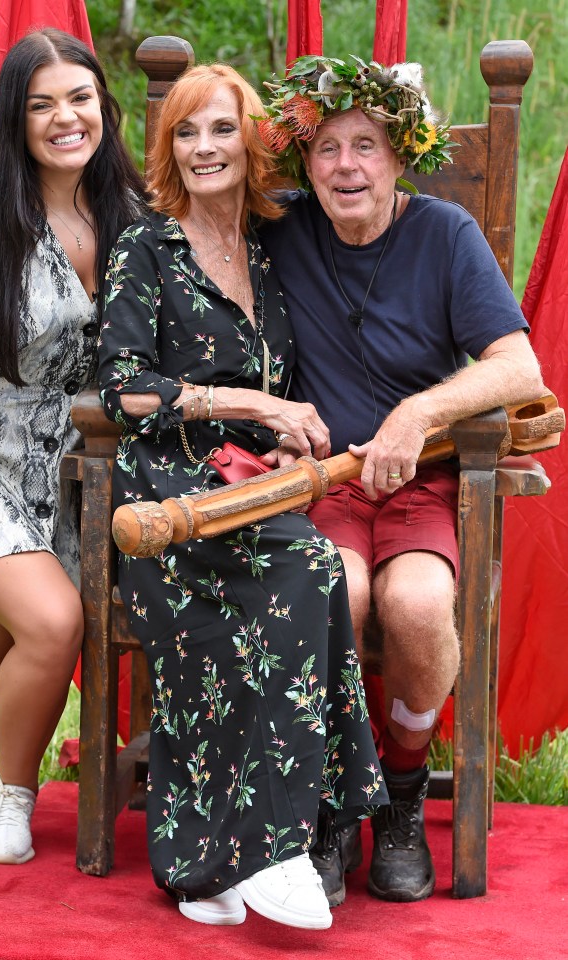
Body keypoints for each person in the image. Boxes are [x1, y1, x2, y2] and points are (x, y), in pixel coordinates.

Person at [97, 63, 387, 930]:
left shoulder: (270, 244)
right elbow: (123, 390)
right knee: (310, 569)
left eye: (222, 129)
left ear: (251, 142)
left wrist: (297, 428)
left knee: (318, 569)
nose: (203, 148)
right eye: (187, 132)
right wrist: (253, 403)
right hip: (168, 495)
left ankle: (228, 855)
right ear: (168, 147)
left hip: (251, 486)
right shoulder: (146, 247)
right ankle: (278, 844)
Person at [256, 55, 544, 903]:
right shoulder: (281, 230)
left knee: (416, 607)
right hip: (324, 486)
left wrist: (418, 415)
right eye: (328, 148)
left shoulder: (445, 234)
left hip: (422, 482)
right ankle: (332, 800)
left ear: (400, 154)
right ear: (306, 164)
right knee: (333, 597)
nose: (347, 166)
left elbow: (518, 365)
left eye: (367, 146)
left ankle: (403, 789)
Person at [0, 28, 145, 899]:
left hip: (59, 484)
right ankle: (10, 800)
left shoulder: (124, 211)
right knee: (52, 623)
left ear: (102, 107)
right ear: (16, 118)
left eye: (79, 97)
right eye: (41, 103)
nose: (65, 117)